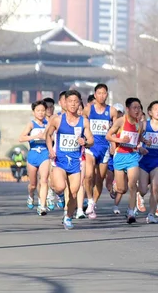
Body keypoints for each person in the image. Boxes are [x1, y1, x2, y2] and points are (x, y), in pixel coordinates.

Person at [46, 90, 94, 230]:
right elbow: (48, 136)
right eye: (70, 101)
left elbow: (91, 140)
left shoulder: (83, 121)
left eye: (76, 101)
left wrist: (84, 141)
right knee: (60, 187)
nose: (73, 104)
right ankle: (55, 192)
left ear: (79, 103)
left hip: (75, 162)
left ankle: (68, 216)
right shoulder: (57, 119)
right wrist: (50, 150)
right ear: (64, 103)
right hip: (60, 160)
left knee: (74, 192)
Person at [107, 97, 146, 223]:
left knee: (132, 184)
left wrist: (144, 143)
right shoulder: (120, 121)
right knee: (122, 189)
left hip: (132, 156)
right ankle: (115, 187)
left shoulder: (139, 124)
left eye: (139, 108)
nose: (137, 110)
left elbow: (138, 138)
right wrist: (119, 141)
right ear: (128, 109)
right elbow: (108, 135)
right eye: (134, 108)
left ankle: (131, 212)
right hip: (120, 156)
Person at [83, 84, 113, 220]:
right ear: (95, 95)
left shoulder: (111, 111)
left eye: (104, 93)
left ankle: (93, 203)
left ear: (107, 95)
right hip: (91, 146)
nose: (101, 95)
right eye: (99, 93)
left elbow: (116, 128)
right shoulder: (88, 110)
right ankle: (89, 200)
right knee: (88, 175)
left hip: (104, 148)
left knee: (99, 179)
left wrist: (114, 142)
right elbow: (80, 125)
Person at [19, 100, 51, 214]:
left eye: (43, 110)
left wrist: (47, 138)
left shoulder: (49, 124)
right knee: (33, 184)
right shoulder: (31, 124)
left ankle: (42, 206)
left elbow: (53, 138)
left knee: (44, 180)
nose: (41, 113)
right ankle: (31, 195)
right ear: (34, 112)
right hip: (33, 154)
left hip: (44, 154)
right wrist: (35, 136)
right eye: (38, 111)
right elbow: (21, 138)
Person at [139, 101, 158, 223]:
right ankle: (138, 196)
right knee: (143, 190)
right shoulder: (144, 125)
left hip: (156, 161)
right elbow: (135, 139)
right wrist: (140, 147)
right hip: (143, 161)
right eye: (155, 109)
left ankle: (151, 214)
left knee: (155, 188)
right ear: (150, 112)